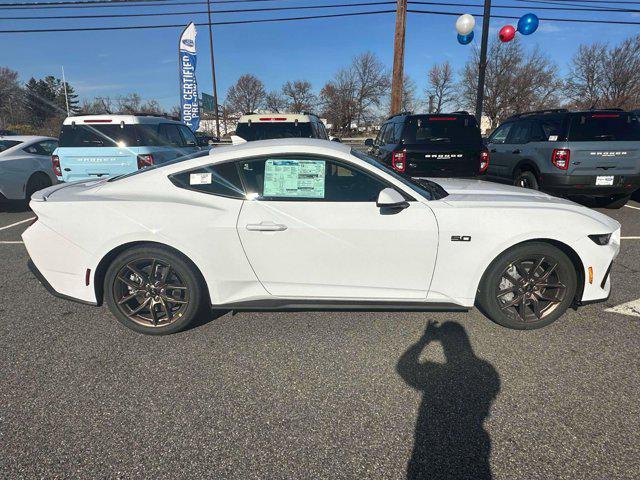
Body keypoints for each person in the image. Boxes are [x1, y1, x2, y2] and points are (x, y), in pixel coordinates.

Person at [397, 321, 501, 480]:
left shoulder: (436, 373)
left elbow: (404, 367)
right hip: (473, 442)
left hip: (430, 447)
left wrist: (424, 340)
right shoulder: (486, 369)